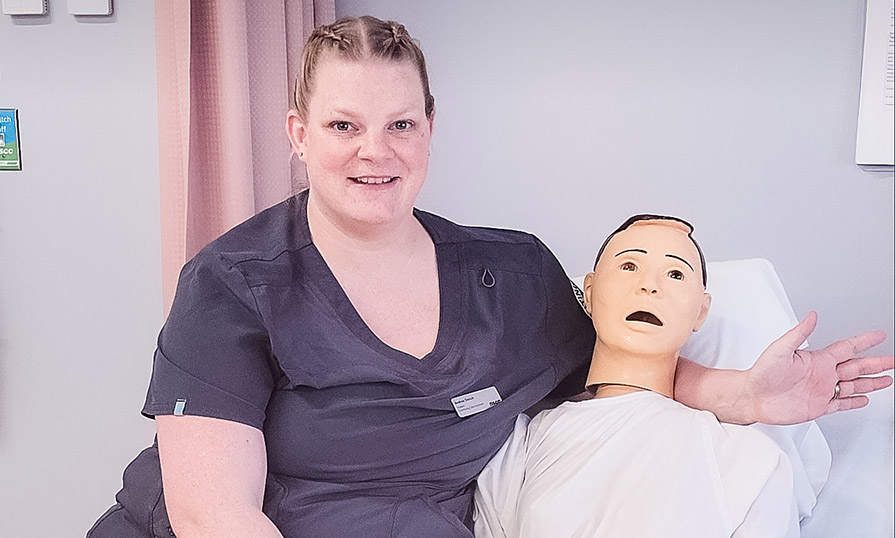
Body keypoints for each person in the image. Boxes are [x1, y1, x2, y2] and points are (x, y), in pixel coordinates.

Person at [87, 15, 893, 538]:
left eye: (400, 123)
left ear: (430, 130)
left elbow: (617, 367)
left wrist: (747, 398)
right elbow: (212, 514)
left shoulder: (509, 274)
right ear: (298, 134)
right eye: (343, 125)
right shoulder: (234, 283)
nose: (376, 151)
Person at [474, 215, 800, 538]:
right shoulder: (521, 444)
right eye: (629, 266)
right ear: (588, 291)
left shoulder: (750, 463)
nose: (649, 286)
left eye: (675, 274)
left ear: (701, 310)